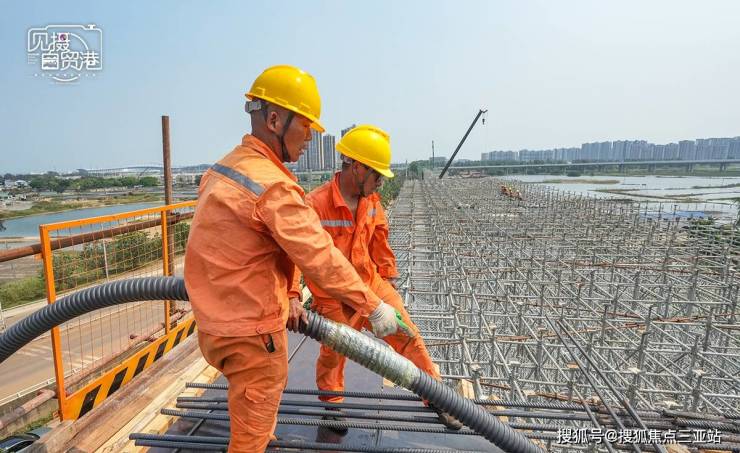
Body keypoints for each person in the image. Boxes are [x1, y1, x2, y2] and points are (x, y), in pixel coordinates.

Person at [184, 66, 410, 452]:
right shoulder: (274, 185)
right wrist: (372, 307)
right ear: (274, 119)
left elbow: (264, 248)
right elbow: (318, 255)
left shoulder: (224, 168)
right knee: (250, 436)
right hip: (251, 335)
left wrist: (290, 294)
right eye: (305, 126)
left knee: (253, 409)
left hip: (214, 324)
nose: (310, 137)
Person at [303, 124, 464, 432]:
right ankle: (332, 405)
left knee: (407, 334)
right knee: (334, 351)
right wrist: (293, 297)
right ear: (358, 168)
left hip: (370, 284)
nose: (379, 182)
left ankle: (437, 396)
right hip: (333, 295)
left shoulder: (372, 202)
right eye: (376, 174)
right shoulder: (316, 204)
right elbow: (298, 253)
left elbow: (380, 242)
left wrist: (388, 282)